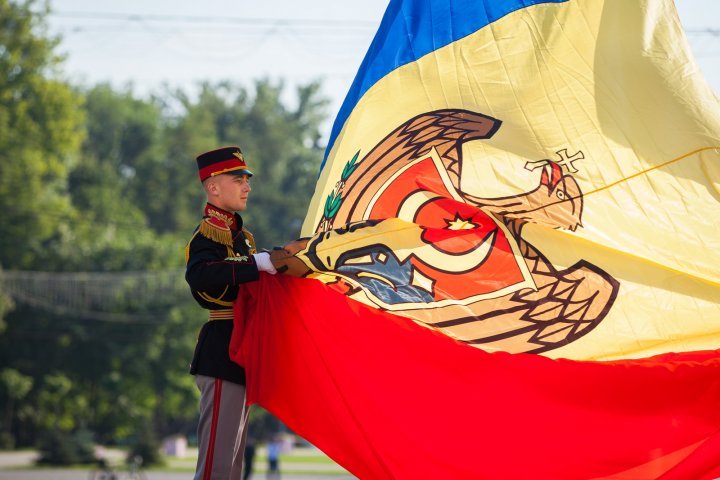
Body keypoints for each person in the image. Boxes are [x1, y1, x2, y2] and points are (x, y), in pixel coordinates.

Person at [185, 146, 301, 480]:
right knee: (215, 469)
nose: (247, 187)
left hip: (239, 351)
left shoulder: (239, 238)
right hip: (222, 350)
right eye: (238, 180)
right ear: (213, 188)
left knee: (231, 470)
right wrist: (257, 264)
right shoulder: (208, 236)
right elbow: (201, 276)